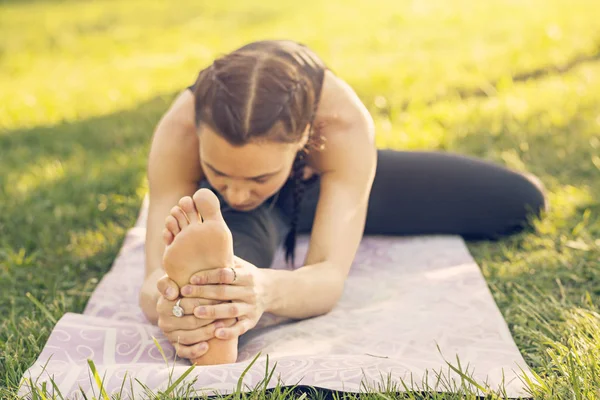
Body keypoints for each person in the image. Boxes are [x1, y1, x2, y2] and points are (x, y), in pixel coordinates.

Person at [138, 39, 547, 365]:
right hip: (225, 221)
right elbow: (152, 278)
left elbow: (327, 276)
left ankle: (229, 286)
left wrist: (263, 288)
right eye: (219, 171)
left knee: (519, 202)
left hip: (320, 188)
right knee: (218, 290)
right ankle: (214, 304)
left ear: (304, 138)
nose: (239, 192)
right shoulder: (178, 130)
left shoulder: (343, 123)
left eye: (258, 177)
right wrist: (173, 305)